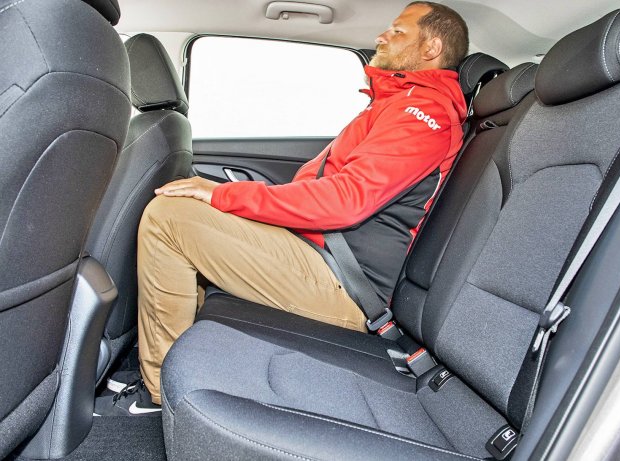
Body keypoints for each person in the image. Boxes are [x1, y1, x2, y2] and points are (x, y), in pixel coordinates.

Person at [99, 1, 468, 415]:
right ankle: (185, 363)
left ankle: (160, 393)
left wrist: (226, 195)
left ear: (432, 48)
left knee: (170, 220)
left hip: (345, 285)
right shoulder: (395, 105)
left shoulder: (423, 113)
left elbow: (345, 201)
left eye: (397, 31)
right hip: (320, 255)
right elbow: (321, 189)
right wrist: (226, 199)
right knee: (187, 210)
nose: (382, 36)